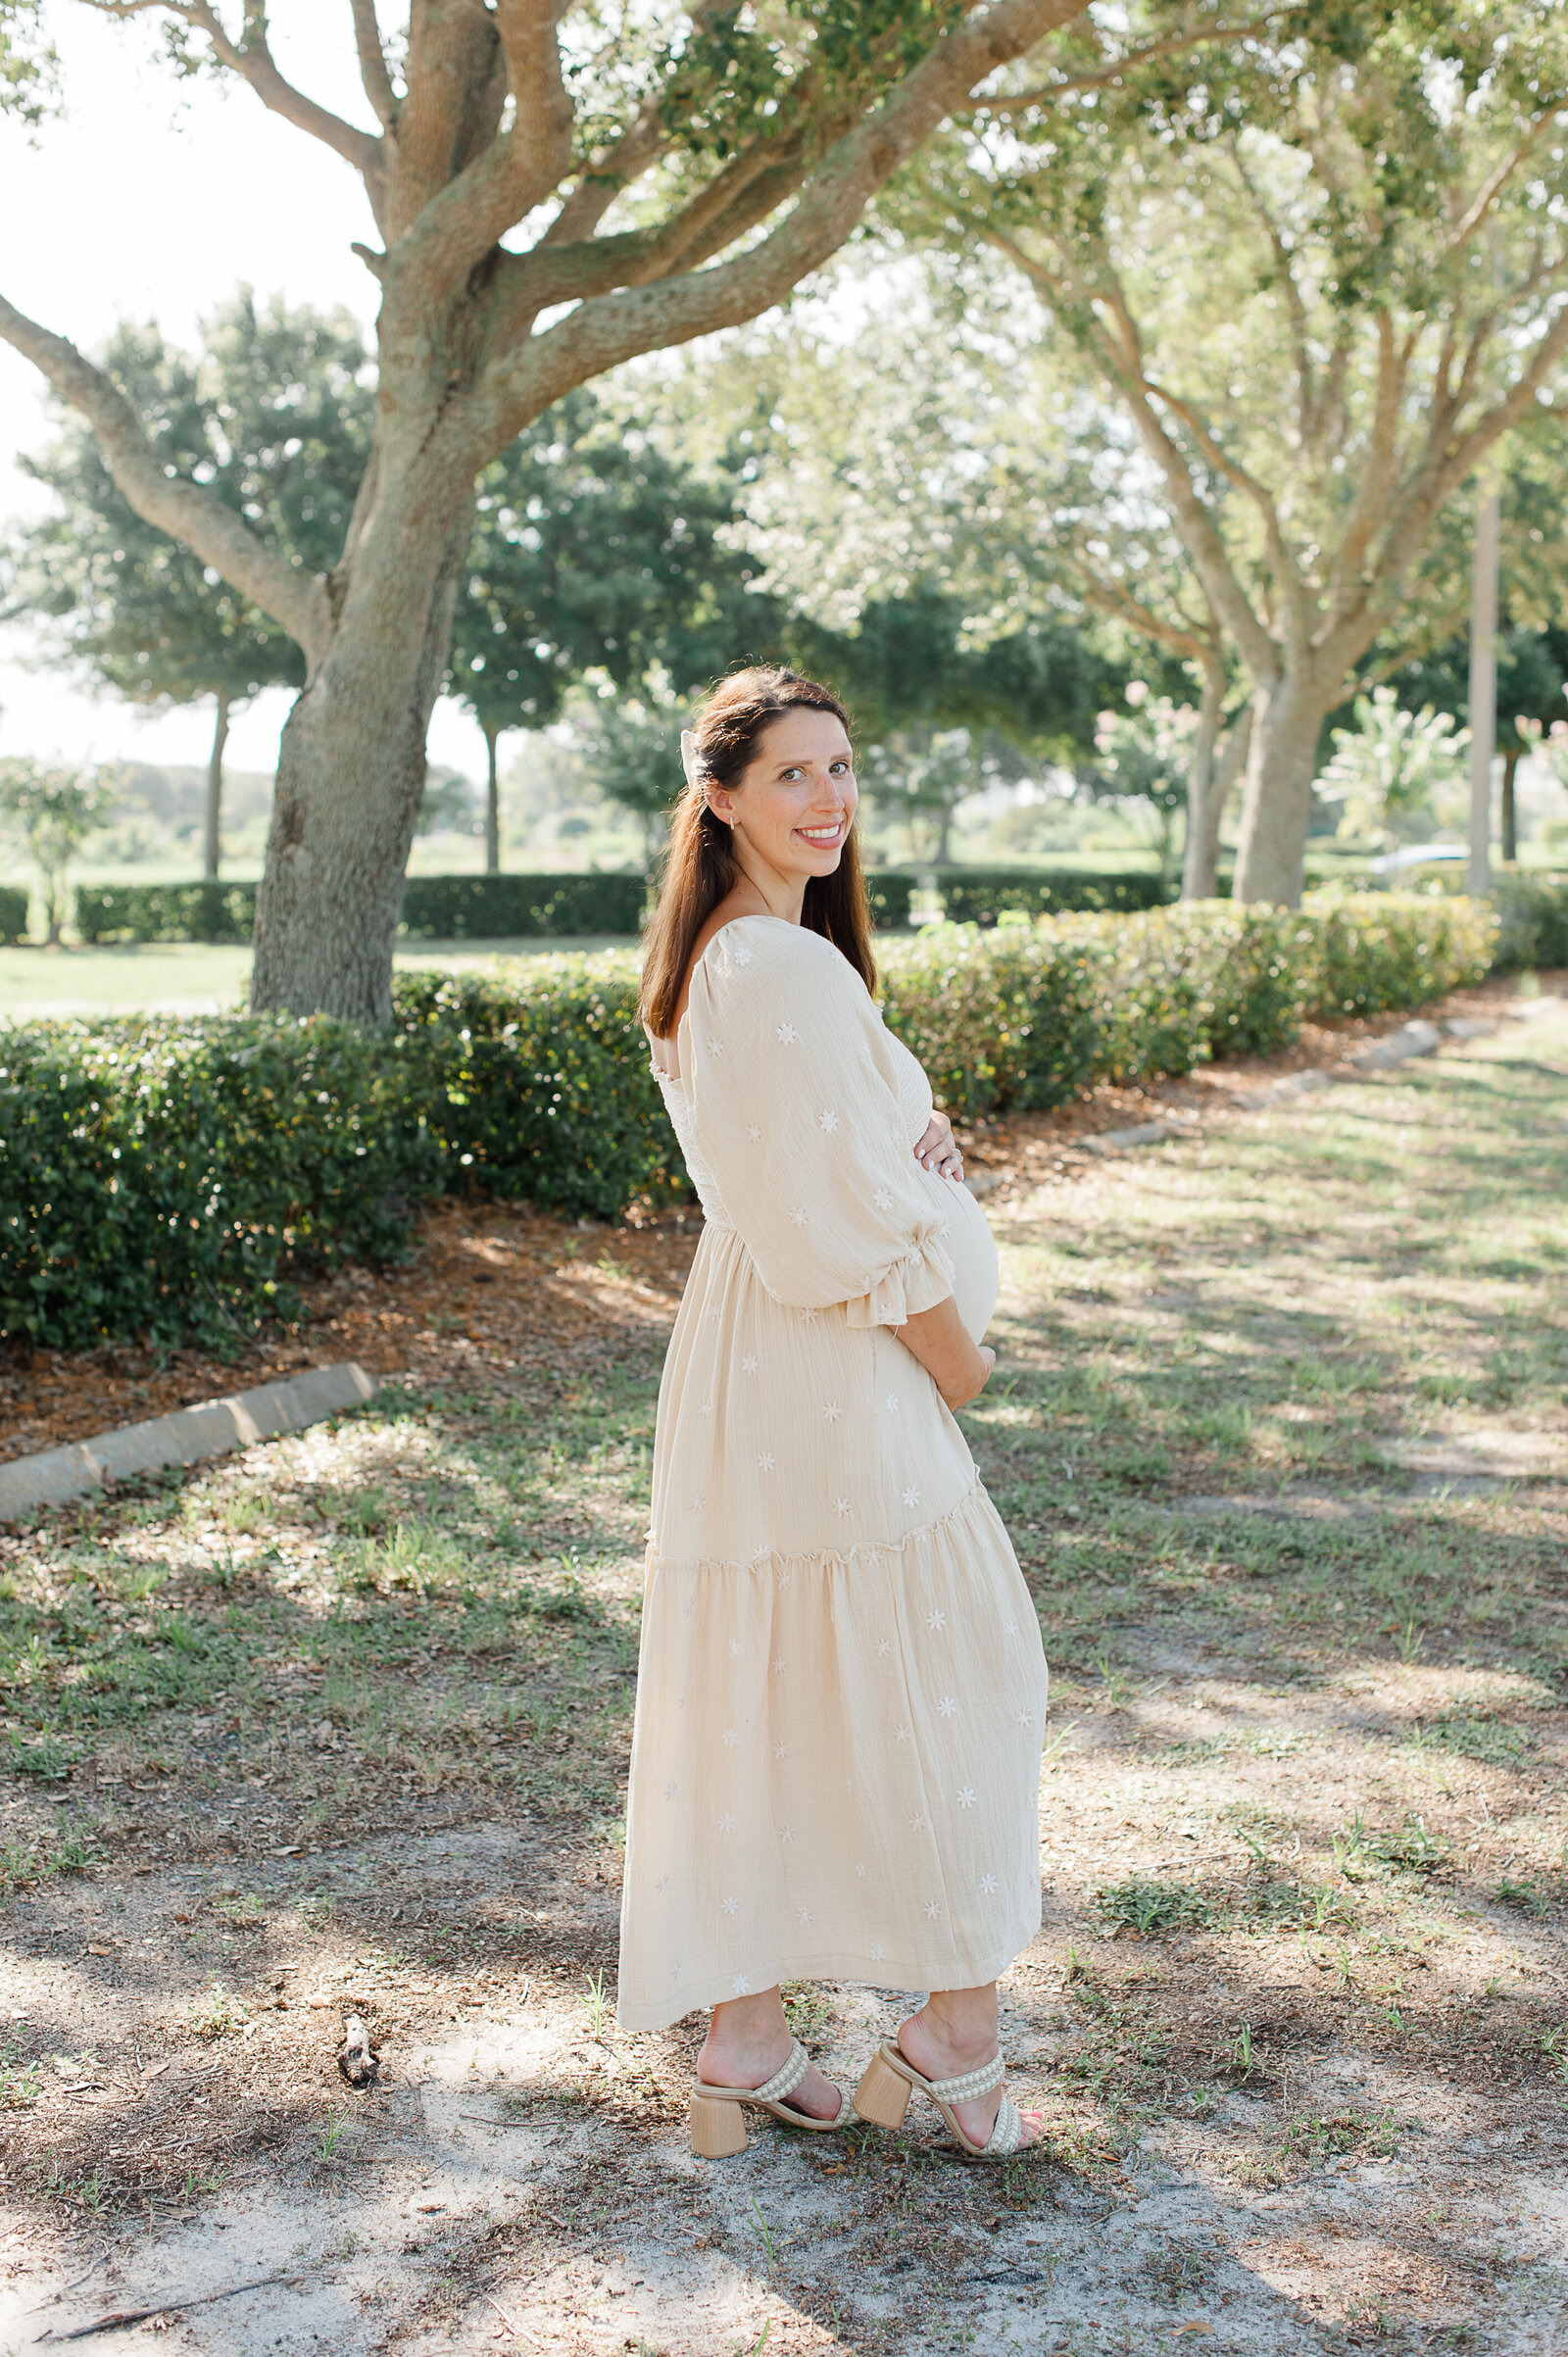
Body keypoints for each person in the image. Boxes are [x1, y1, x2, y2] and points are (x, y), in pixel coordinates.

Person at [616, 666, 1050, 2161]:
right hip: (829, 1354)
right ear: (721, 796)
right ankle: (958, 2030)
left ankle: (745, 2034)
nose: (827, 800)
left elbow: (837, 1166)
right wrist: (959, 1359)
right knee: (954, 1662)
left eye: (842, 770)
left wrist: (909, 1147)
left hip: (762, 1355)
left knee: (780, 1682)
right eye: (792, 774)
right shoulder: (776, 970)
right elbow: (843, 1221)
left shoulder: (737, 964)